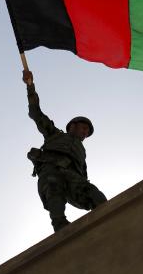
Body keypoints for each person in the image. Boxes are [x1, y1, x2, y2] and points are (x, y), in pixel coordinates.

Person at [23, 69, 107, 232]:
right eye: (83, 128)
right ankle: (60, 225)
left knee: (93, 194)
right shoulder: (54, 134)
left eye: (86, 132)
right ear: (72, 126)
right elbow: (36, 113)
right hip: (51, 169)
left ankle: (110, 218)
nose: (84, 133)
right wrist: (30, 86)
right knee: (54, 191)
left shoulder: (82, 152)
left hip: (73, 176)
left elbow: (83, 173)